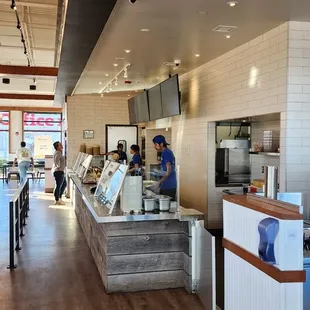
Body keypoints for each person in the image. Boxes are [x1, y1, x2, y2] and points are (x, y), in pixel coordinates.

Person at [152, 135, 177, 200]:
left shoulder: (167, 153)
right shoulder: (164, 153)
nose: (154, 146)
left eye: (155, 144)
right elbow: (166, 170)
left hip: (169, 186)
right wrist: (158, 172)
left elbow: (168, 172)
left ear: (162, 144)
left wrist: (158, 183)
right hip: (166, 185)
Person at [53, 141, 67, 205]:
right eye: (60, 145)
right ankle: (57, 200)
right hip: (59, 172)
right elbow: (56, 161)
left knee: (64, 184)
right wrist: (58, 167)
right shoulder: (58, 153)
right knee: (59, 186)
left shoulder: (59, 152)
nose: (62, 146)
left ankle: (59, 197)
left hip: (60, 171)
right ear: (57, 147)